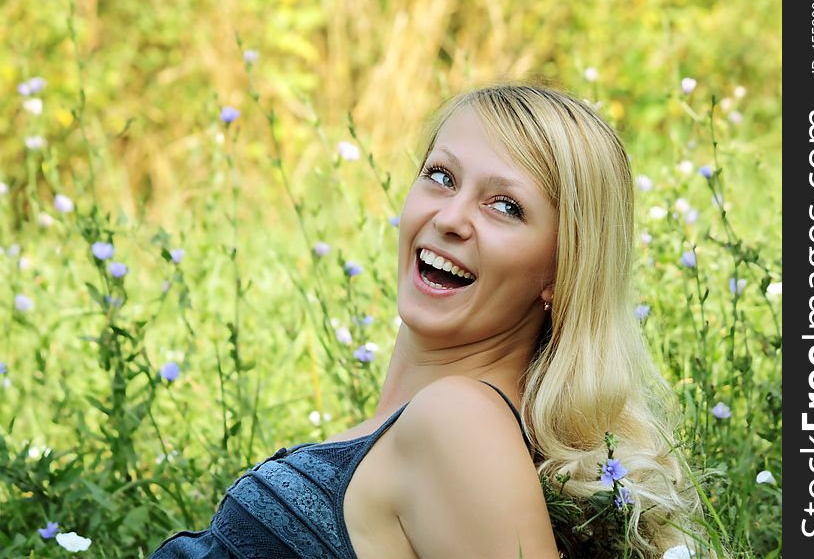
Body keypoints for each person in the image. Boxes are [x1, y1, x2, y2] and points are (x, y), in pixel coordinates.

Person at [150, 83, 701, 558]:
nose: (451, 217)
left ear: (561, 273)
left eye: (505, 206)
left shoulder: (459, 423)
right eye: (441, 176)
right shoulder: (434, 429)